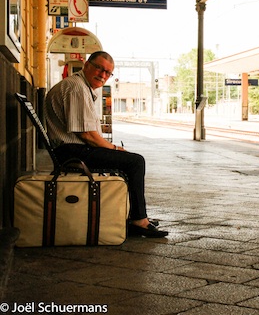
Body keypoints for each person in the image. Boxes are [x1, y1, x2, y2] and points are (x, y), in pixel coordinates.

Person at [44, 51, 168, 238]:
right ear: (86, 65)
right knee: (135, 162)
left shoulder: (81, 87)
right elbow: (87, 134)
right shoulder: (76, 88)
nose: (103, 75)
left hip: (72, 149)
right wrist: (115, 149)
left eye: (108, 72)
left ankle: (134, 215)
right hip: (72, 152)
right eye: (99, 68)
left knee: (131, 160)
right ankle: (138, 220)